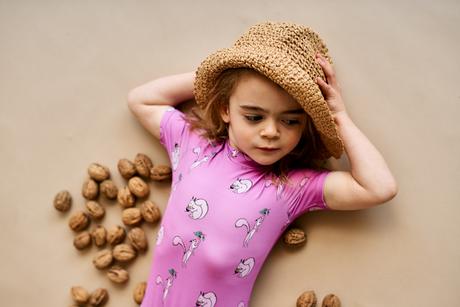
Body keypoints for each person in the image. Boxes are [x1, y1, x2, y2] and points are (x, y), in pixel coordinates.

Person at [127, 21, 398, 307]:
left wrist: (338, 115)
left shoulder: (293, 187)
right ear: (225, 109)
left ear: (304, 124)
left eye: (290, 120)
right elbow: (141, 100)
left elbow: (379, 187)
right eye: (254, 117)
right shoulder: (194, 146)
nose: (271, 132)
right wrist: (225, 74)